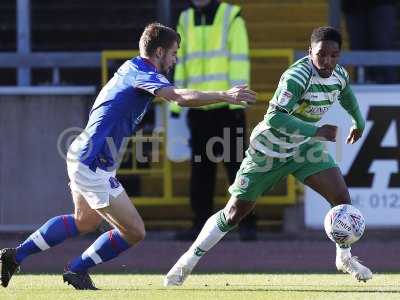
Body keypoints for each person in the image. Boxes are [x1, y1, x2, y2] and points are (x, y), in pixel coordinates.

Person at [0, 23, 256, 290]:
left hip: (84, 152)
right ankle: (76, 269)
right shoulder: (144, 73)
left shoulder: (130, 66)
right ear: (158, 52)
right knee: (134, 231)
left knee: (84, 220)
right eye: (173, 53)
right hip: (92, 162)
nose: (175, 59)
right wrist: (224, 95)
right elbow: (178, 97)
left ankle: (15, 256)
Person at [164, 26, 373, 286]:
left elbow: (347, 95)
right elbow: (274, 117)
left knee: (341, 197)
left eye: (334, 55)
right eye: (322, 55)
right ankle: (186, 262)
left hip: (304, 148)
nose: (328, 61)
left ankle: (344, 257)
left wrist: (359, 121)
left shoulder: (338, 74)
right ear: (310, 52)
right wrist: (316, 130)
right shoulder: (296, 77)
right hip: (268, 151)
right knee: (234, 214)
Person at [171, 0, 257, 241]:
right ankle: (200, 225)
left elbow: (240, 59)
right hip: (198, 108)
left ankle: (248, 224)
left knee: (239, 170)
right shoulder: (185, 18)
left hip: (228, 109)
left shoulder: (231, 16)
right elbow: (181, 60)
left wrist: (237, 103)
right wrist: (179, 100)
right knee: (200, 171)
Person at [342, 0, 397, 83]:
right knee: (358, 52)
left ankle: (388, 86)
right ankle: (363, 84)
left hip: (382, 4)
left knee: (382, 47)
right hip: (352, 6)